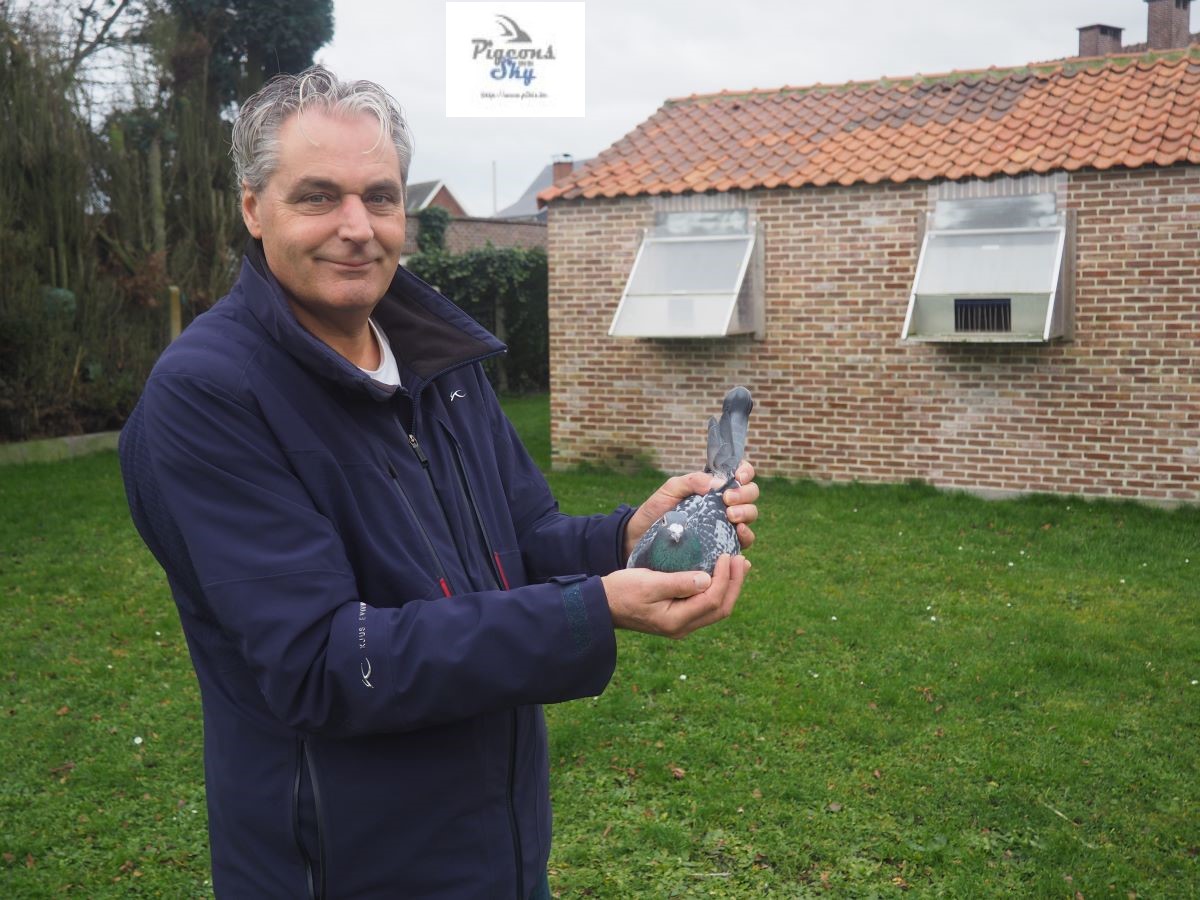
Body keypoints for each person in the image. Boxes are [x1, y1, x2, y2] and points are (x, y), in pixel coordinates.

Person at [118, 65, 758, 899]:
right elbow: (323, 662)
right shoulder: (210, 394)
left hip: (495, 850)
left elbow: (520, 543)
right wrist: (589, 609)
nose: (357, 227)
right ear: (253, 207)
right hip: (346, 867)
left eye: (380, 197)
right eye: (318, 197)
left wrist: (625, 538)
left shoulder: (440, 364)